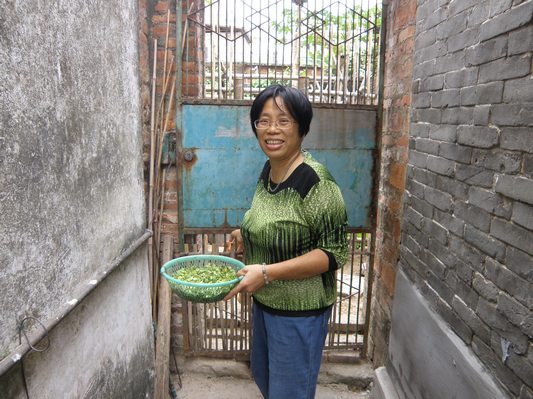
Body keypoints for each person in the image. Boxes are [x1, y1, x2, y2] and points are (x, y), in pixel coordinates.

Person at [224, 84, 348, 399]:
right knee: (266, 381)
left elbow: (333, 254)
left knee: (289, 393)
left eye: (283, 120)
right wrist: (245, 233)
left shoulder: (317, 183)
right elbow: (271, 218)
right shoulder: (269, 171)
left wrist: (266, 273)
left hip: (299, 313)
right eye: (263, 121)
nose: (272, 129)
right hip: (266, 305)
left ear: (301, 128)